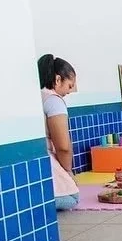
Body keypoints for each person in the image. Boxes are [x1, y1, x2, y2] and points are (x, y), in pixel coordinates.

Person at [38, 54, 80, 211]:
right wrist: (68, 171)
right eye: (69, 86)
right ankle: (34, 201)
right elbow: (63, 146)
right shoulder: (54, 101)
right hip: (45, 157)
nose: (69, 91)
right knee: (73, 197)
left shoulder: (37, 96)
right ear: (57, 80)